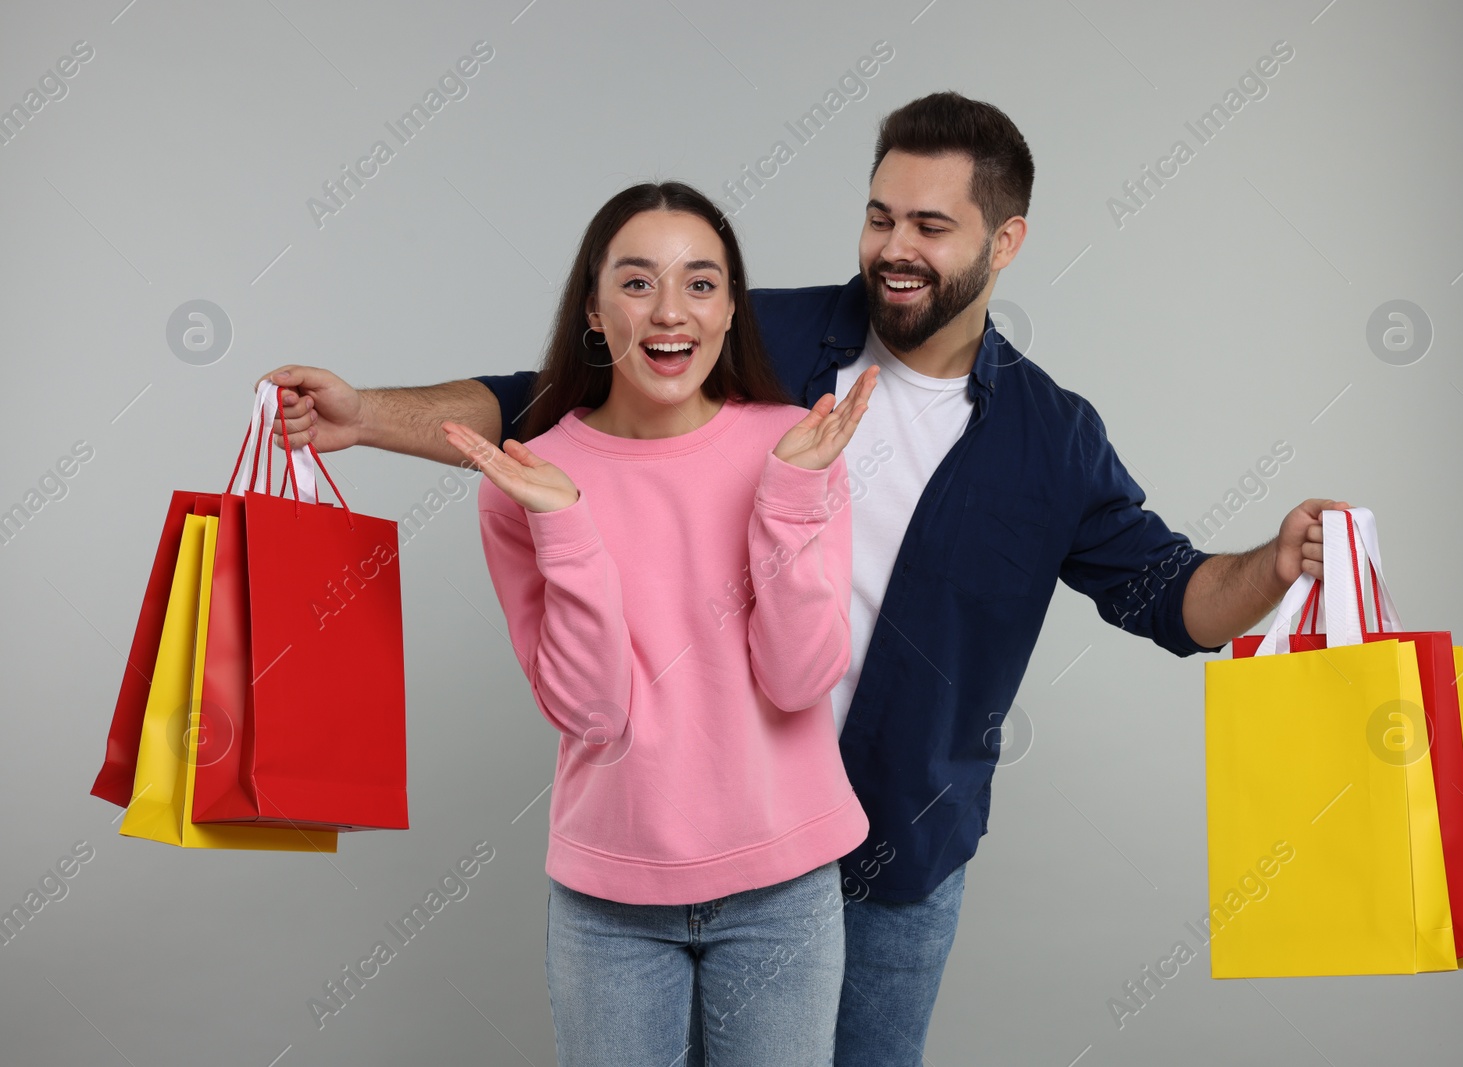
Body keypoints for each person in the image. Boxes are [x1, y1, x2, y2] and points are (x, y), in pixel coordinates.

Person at [260, 92, 1348, 1065]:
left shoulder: (1050, 438)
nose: (895, 247)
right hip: (684, 824)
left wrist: (1272, 562)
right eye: (880, 216)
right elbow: (544, 409)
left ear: (1006, 241)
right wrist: (371, 417)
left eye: (931, 224)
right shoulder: (761, 331)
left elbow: (1172, 593)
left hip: (893, 850)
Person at [440, 179, 881, 1066]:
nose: (670, 310)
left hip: (784, 887)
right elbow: (595, 711)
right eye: (637, 282)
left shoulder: (793, 445)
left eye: (702, 283)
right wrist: (565, 524)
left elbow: (800, 679)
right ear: (595, 312)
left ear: (729, 312)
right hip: (610, 901)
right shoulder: (531, 479)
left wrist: (790, 500)